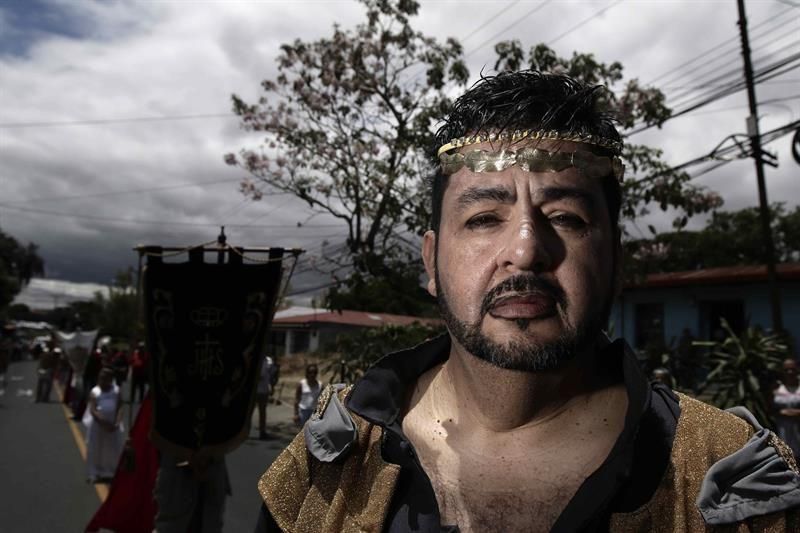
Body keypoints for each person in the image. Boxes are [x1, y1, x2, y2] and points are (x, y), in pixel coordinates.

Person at [254, 71, 800, 531]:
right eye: (484, 218)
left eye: (566, 217)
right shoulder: (331, 456)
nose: (525, 250)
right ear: (431, 263)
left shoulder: (731, 482)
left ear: (616, 263)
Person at [83, 367, 124, 483]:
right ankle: (94, 473)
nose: (102, 379)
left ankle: (110, 472)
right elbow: (93, 409)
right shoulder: (95, 391)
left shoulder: (116, 390)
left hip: (113, 425)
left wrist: (117, 421)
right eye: (101, 377)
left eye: (105, 378)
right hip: (98, 424)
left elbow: (120, 406)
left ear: (111, 379)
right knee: (95, 448)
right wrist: (104, 423)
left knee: (112, 448)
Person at [774, 358, 800, 459]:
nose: (790, 372)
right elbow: (769, 410)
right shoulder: (776, 388)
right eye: (787, 370)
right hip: (783, 434)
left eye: (793, 369)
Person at [255, 355, 277, 440]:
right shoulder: (253, 358)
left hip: (263, 390)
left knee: (262, 411)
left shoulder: (269, 361)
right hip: (253, 390)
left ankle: (262, 431)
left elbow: (272, 376)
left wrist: (272, 387)